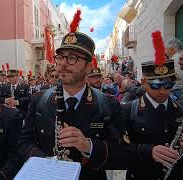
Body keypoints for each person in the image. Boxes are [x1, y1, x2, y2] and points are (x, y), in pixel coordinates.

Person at [19, 27, 142, 180]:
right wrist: (46, 163)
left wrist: (88, 146)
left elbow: (123, 154)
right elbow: (24, 142)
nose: (63, 64)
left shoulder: (108, 104)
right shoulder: (39, 100)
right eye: (60, 57)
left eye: (72, 58)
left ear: (88, 67)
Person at [120, 32, 183, 180]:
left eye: (168, 85)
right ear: (144, 83)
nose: (162, 91)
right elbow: (118, 150)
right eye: (155, 85)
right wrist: (148, 151)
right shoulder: (127, 110)